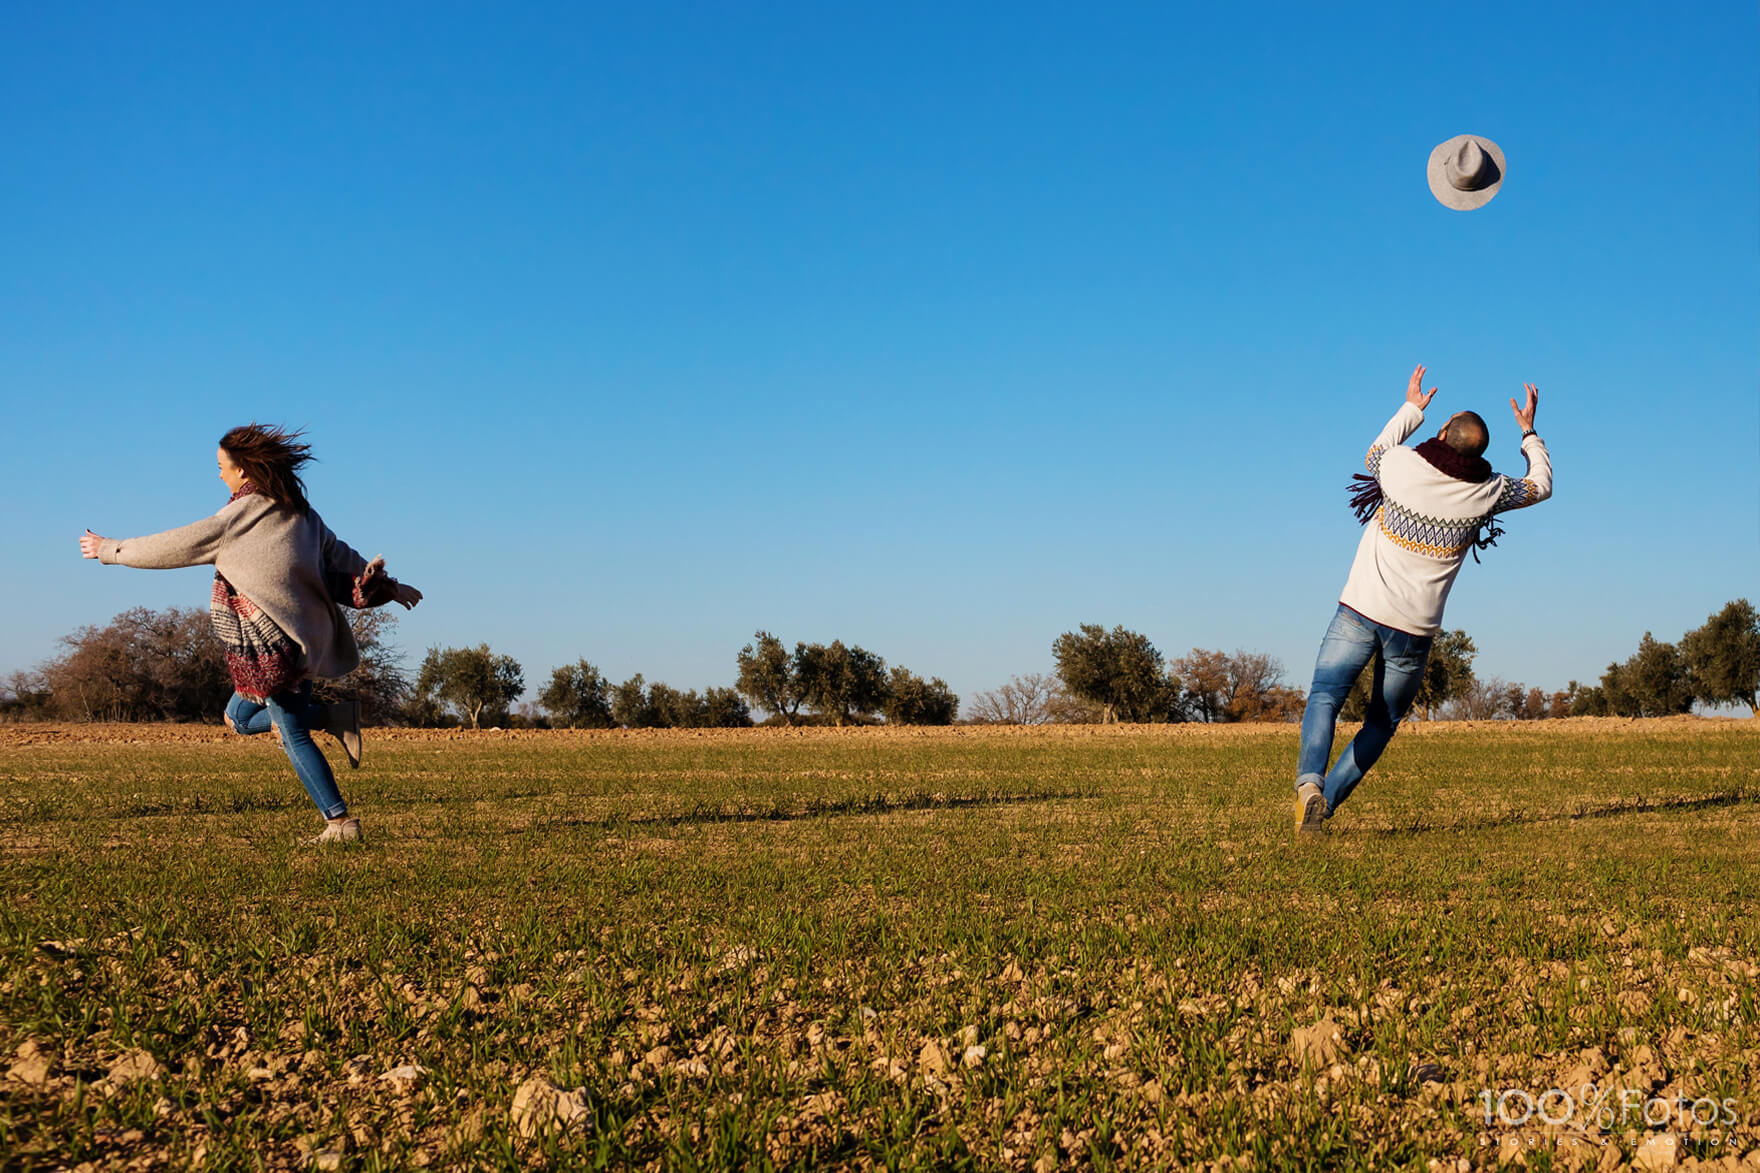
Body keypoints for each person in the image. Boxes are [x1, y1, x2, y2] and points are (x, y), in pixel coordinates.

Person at [80, 425, 421, 843]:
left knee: (292, 733)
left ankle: (340, 822)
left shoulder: (237, 519)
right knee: (238, 718)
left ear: (242, 471)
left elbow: (172, 546)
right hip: (304, 640)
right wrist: (390, 586)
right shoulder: (303, 515)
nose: (219, 475)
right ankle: (332, 718)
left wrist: (107, 549)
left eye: (221, 467)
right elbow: (345, 558)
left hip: (273, 648)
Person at [1295, 365, 1552, 832]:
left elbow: (1374, 455)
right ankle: (1325, 805)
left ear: (1442, 433)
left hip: (1359, 609)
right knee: (1381, 723)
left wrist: (1411, 407)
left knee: (1326, 696)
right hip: (1413, 633)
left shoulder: (1402, 465)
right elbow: (1541, 485)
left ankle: (1310, 784)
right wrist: (1529, 432)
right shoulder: (1488, 491)